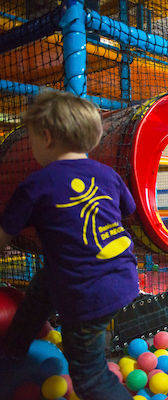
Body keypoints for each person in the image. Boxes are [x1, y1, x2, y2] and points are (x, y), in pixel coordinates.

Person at [0, 91, 139, 400]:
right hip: (123, 277)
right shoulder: (109, 174)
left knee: (90, 380)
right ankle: (13, 350)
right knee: (43, 287)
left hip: (86, 294)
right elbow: (128, 211)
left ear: (46, 137)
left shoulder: (36, 184)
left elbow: (4, 235)